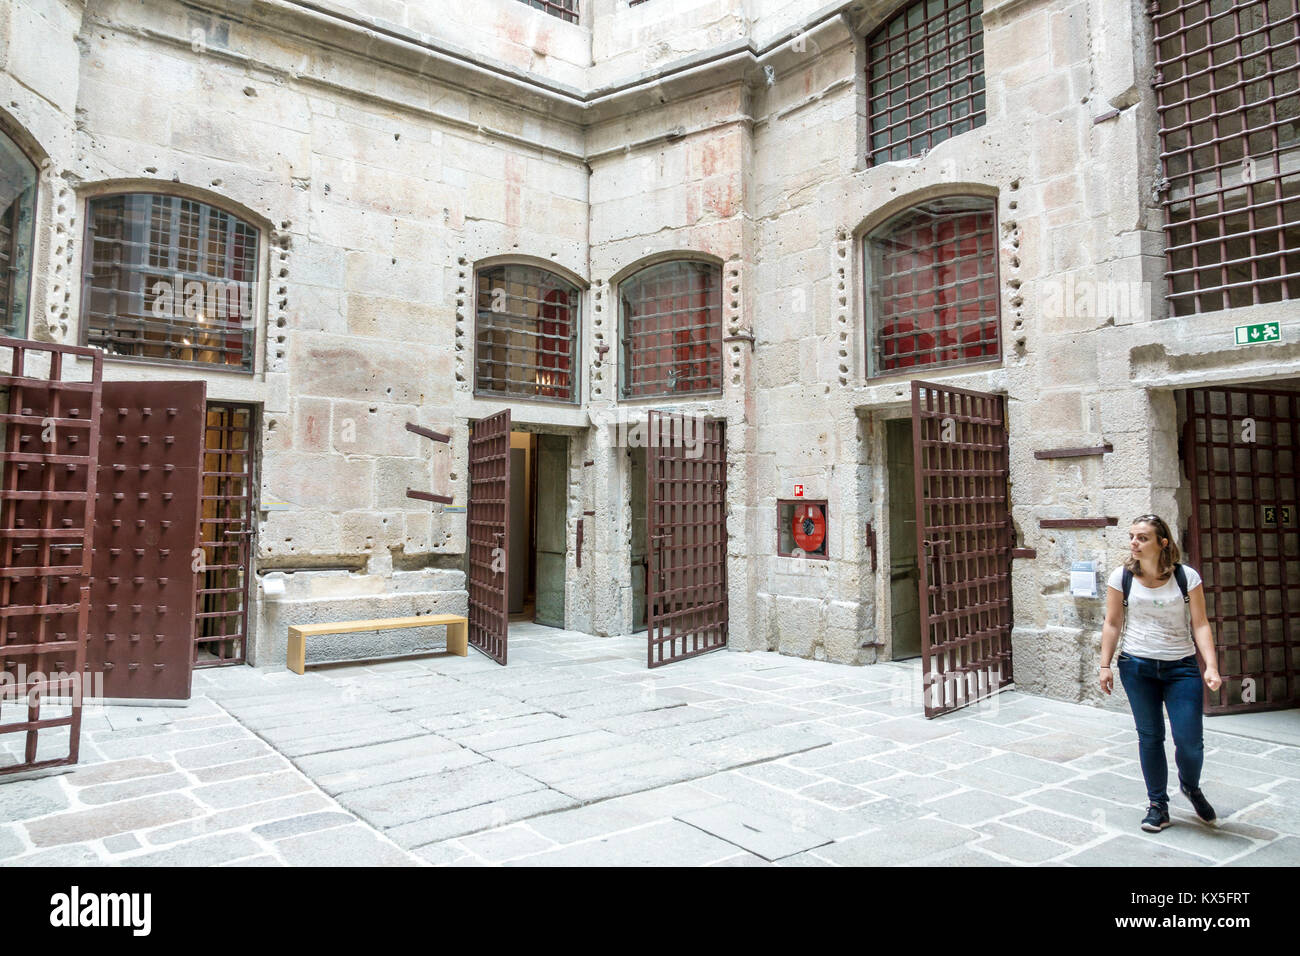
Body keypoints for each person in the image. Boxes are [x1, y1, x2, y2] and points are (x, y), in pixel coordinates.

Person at [1099, 514, 1223, 832]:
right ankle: (1157, 805)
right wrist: (1105, 665)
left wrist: (1210, 665)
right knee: (1150, 737)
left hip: (1181, 667)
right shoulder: (1121, 577)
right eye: (1132, 537)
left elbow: (1200, 623)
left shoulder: (1186, 577)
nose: (1134, 543)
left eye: (1142, 537)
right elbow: (1112, 623)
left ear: (1162, 543)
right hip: (1136, 666)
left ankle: (1191, 787)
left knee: (1190, 741)